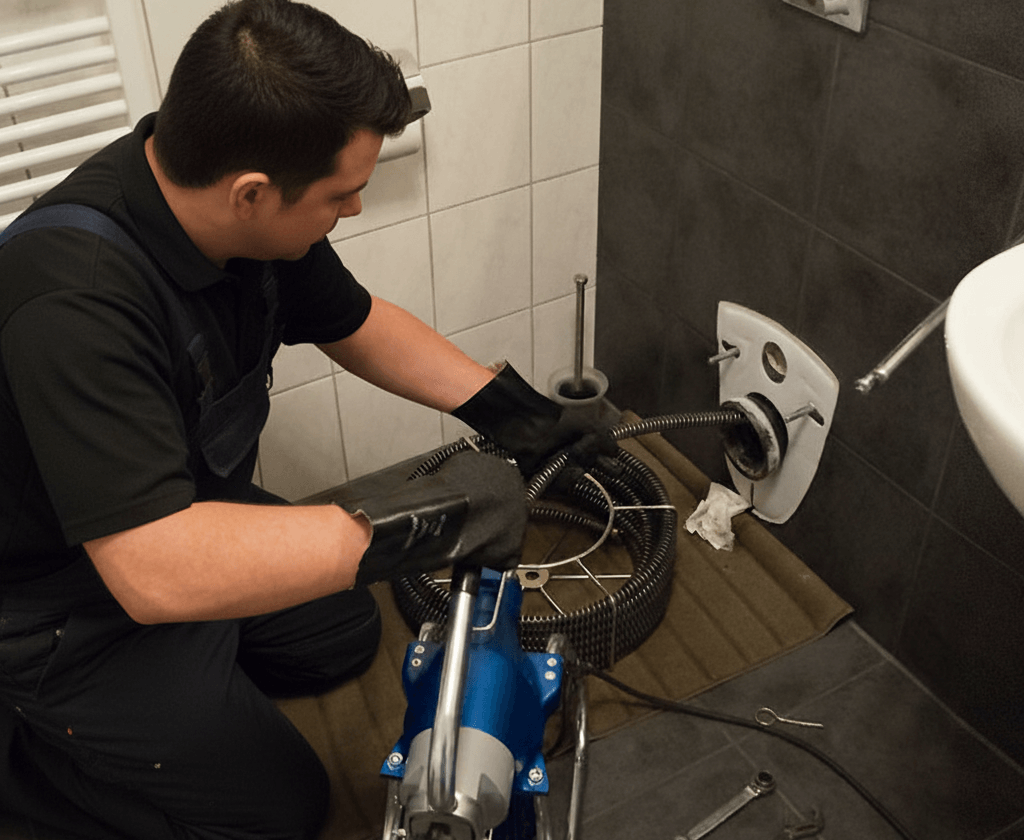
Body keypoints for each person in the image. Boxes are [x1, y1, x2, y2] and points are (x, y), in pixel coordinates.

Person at [0, 1, 612, 838]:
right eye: (341, 194)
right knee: (281, 809)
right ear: (251, 194)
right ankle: (40, 757)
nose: (353, 210)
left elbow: (354, 321)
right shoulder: (76, 301)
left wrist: (512, 412)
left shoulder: (234, 215)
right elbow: (153, 572)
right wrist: (432, 524)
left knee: (341, 631)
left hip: (176, 513)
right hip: (64, 605)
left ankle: (184, 687)